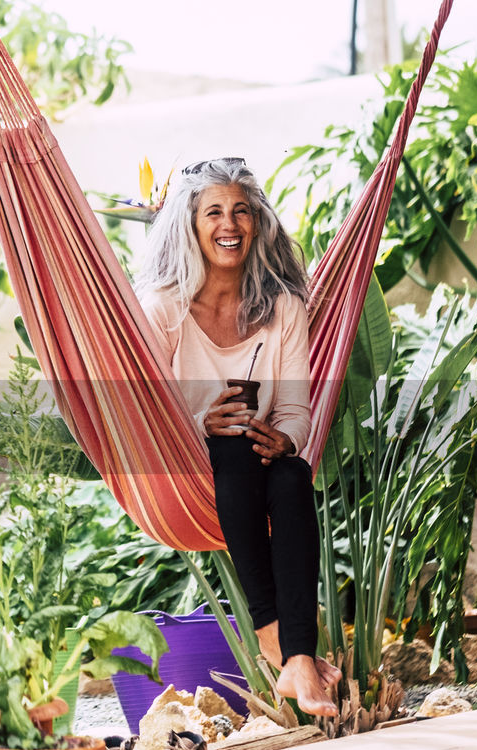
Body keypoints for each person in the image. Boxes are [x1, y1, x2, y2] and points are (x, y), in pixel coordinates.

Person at [136, 157, 341, 718]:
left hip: (264, 459)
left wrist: (288, 441)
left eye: (241, 211)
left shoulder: (283, 308)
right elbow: (146, 408)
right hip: (194, 464)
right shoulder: (163, 309)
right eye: (214, 212)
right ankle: (277, 634)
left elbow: (297, 408)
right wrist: (200, 422)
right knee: (232, 444)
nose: (230, 224)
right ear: (191, 224)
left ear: (257, 223)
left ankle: (294, 657)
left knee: (294, 474)